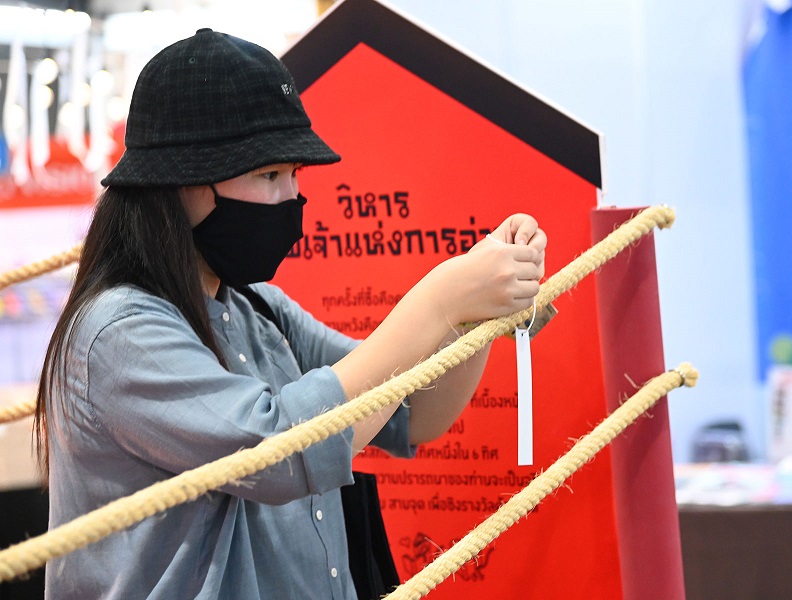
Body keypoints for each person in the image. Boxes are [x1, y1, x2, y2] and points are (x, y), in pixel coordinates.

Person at [34, 29, 546, 599]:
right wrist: (439, 301)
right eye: (269, 175)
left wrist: (472, 313)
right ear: (181, 183)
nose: (292, 197)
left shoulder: (256, 308)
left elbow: (411, 411)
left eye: (294, 174)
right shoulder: (118, 332)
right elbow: (276, 451)